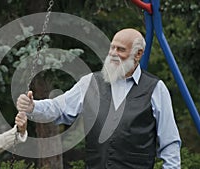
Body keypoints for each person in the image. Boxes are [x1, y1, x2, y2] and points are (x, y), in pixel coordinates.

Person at [17, 28, 181, 169]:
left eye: (121, 49)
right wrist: (33, 107)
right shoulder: (90, 83)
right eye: (112, 48)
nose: (113, 54)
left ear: (138, 54)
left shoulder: (156, 89)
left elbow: (170, 143)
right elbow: (58, 108)